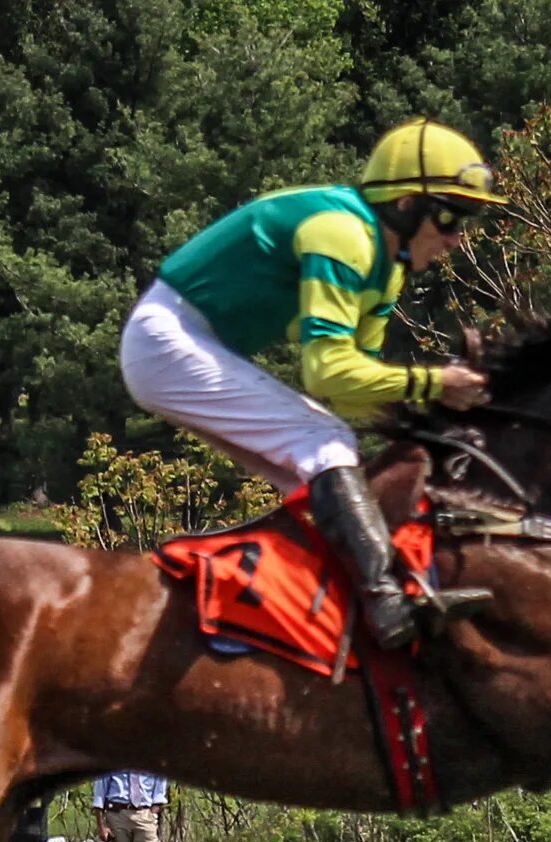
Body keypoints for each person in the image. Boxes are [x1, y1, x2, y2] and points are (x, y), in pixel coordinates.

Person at [120, 119, 502, 656]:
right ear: (404, 205)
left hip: (190, 340)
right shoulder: (343, 233)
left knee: (321, 466)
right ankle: (384, 601)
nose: (456, 239)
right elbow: (325, 373)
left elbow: (349, 392)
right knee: (324, 443)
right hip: (167, 338)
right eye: (450, 217)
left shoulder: (385, 270)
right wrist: (433, 383)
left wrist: (439, 406)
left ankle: (307, 600)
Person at [93, 770, 176, 842]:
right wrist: (102, 825)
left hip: (144, 813)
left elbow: (159, 792)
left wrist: (152, 813)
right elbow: (99, 794)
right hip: (117, 813)